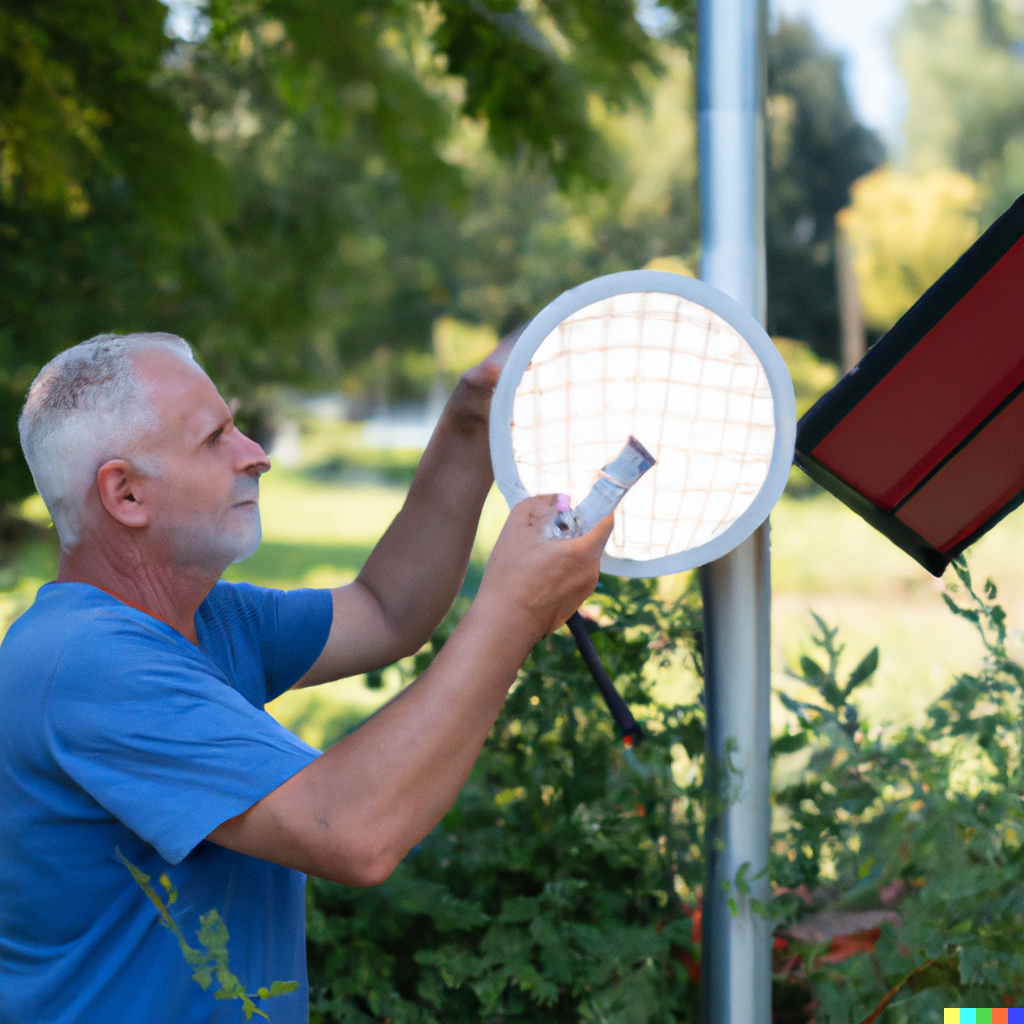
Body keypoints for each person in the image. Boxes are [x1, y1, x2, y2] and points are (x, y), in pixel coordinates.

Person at [0, 331, 612, 1024]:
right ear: (126, 493)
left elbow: (387, 610)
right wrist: (515, 611)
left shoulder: (197, 621)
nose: (255, 455)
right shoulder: (86, 662)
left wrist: (471, 421)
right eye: (215, 438)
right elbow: (350, 829)